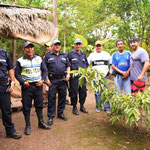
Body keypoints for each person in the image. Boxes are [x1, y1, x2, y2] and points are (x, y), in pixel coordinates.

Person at [15, 41, 50, 135]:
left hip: (38, 86)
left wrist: (43, 80)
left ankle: (41, 122)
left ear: (33, 48)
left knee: (39, 105)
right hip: (27, 87)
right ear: (24, 49)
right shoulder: (20, 61)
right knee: (26, 107)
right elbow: (17, 74)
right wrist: (23, 82)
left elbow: (45, 70)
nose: (30, 49)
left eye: (31, 47)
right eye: (27, 47)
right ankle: (27, 125)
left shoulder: (39, 59)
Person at [44, 40, 70, 126]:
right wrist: (47, 80)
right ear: (52, 46)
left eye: (59, 44)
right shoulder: (47, 55)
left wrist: (68, 75)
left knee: (62, 96)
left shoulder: (64, 55)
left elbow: (68, 66)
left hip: (63, 80)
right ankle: (51, 116)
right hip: (52, 80)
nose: (57, 46)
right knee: (51, 98)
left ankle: (60, 113)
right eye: (56, 45)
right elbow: (44, 69)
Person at [0, 48, 22, 139]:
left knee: (6, 110)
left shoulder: (4, 53)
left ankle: (10, 131)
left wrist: (13, 82)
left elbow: (10, 68)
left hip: (3, 86)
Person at [88, 40, 111, 113]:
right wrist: (89, 72)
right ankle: (98, 106)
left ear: (102, 46)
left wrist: (110, 72)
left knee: (105, 92)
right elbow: (87, 64)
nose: (98, 47)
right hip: (95, 77)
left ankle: (107, 107)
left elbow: (111, 64)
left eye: (100, 45)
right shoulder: (92, 55)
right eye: (97, 46)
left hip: (105, 76)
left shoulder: (106, 54)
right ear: (95, 46)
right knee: (97, 92)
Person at [67, 38, 89, 115]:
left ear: (81, 45)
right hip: (73, 77)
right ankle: (74, 107)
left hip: (82, 77)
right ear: (74, 44)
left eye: (80, 44)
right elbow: (67, 64)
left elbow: (86, 65)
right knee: (73, 92)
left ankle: (82, 106)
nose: (78, 45)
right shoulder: (70, 54)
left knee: (83, 92)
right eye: (77, 44)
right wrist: (68, 74)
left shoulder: (83, 54)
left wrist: (87, 74)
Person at [130, 37, 149, 118]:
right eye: (131, 43)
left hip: (139, 79)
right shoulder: (133, 53)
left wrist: (141, 75)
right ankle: (141, 112)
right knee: (135, 96)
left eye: (134, 42)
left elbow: (147, 63)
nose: (132, 44)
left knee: (139, 97)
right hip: (133, 78)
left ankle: (138, 114)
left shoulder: (142, 51)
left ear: (137, 42)